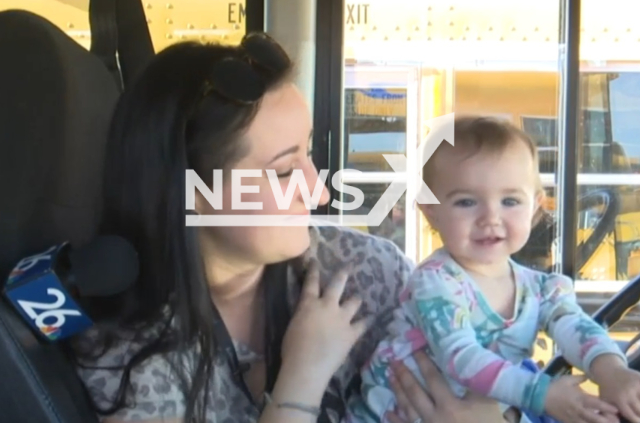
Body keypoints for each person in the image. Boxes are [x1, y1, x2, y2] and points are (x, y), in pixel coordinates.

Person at [67, 33, 511, 423]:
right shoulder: (130, 352)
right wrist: (303, 379)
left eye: (309, 152)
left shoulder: (367, 273)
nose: (319, 192)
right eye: (283, 172)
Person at [346, 116, 640, 423]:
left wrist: (613, 371)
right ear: (431, 212)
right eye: (466, 202)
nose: (490, 217)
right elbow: (461, 358)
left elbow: (575, 326)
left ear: (536, 207)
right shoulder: (435, 282)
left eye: (510, 200)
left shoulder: (541, 288)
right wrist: (544, 394)